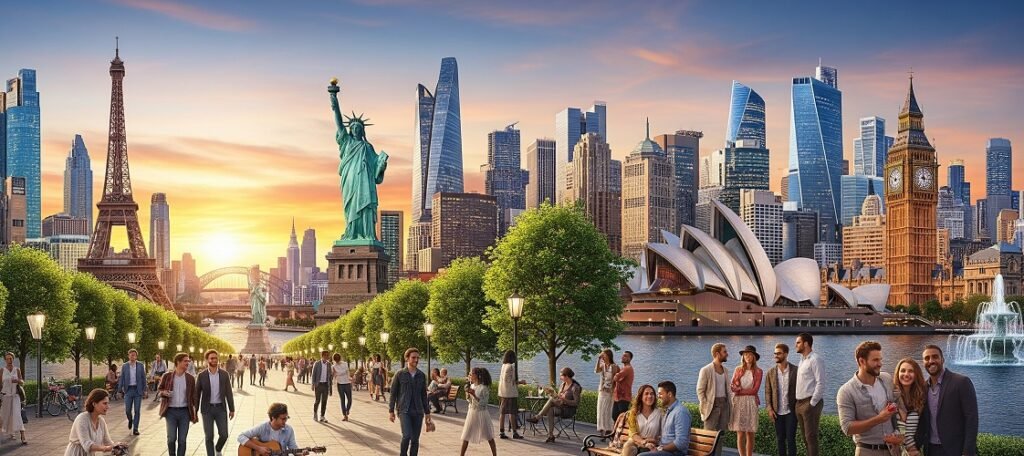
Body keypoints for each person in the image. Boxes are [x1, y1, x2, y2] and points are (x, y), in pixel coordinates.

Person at [837, 341, 903, 456]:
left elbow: (896, 407)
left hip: (893, 450)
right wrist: (878, 418)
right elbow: (847, 428)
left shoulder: (886, 379)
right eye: (875, 360)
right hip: (867, 451)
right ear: (862, 361)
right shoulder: (846, 391)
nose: (880, 364)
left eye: (880, 359)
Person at [922, 344, 978, 456]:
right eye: (927, 358)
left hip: (956, 450)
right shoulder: (923, 388)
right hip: (931, 450)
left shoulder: (961, 382)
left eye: (935, 357)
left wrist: (967, 452)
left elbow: (972, 419)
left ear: (942, 360)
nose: (931, 361)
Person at [388, 348, 432, 456]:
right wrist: (391, 411)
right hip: (404, 410)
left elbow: (423, 395)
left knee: (415, 439)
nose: (416, 360)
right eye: (413, 357)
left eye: (417, 358)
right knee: (407, 435)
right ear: (407, 358)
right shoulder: (399, 374)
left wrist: (427, 413)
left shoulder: (421, 375)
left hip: (418, 411)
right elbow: (393, 393)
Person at [525, 367, 582, 443]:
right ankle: (551, 436)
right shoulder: (562, 385)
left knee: (551, 401)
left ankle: (537, 417)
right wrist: (551, 393)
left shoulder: (575, 387)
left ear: (567, 376)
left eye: (561, 375)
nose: (560, 377)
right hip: (561, 406)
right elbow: (558, 397)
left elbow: (576, 403)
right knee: (550, 409)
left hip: (569, 410)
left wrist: (564, 400)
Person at [195, 350, 235, 456]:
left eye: (215, 358)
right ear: (207, 360)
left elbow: (229, 393)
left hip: (220, 409)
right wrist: (195, 411)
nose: (214, 360)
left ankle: (218, 448)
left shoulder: (224, 374)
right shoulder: (201, 375)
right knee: (209, 436)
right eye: (211, 358)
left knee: (224, 434)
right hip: (207, 410)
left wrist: (232, 409)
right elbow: (197, 395)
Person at [159, 352, 198, 456]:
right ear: (178, 362)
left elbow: (194, 397)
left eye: (188, 361)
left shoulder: (190, 378)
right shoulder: (167, 376)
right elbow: (160, 390)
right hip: (170, 411)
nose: (188, 363)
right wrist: (164, 392)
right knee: (171, 438)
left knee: (182, 440)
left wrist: (196, 412)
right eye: (185, 361)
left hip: (185, 412)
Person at [697, 343, 732, 456]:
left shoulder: (726, 370)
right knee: (708, 437)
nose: (727, 354)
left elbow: (728, 389)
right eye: (725, 352)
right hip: (712, 406)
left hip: (724, 405)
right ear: (717, 354)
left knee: (721, 436)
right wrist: (705, 403)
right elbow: (700, 390)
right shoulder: (706, 370)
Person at [64, 388, 122, 456]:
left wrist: (118, 447)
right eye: (104, 403)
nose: (107, 407)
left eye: (107, 403)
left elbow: (107, 441)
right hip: (76, 454)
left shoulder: (101, 421)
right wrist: (106, 448)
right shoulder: (82, 419)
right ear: (94, 404)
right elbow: (87, 444)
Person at [237, 403, 309, 455]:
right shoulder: (263, 427)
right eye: (283, 419)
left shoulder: (289, 430)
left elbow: (293, 448)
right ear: (273, 417)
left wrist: (301, 453)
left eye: (286, 418)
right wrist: (258, 448)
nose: (285, 421)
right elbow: (241, 436)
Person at [765, 343, 798, 456]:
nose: (776, 355)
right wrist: (769, 408)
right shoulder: (770, 372)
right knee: (780, 439)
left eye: (778, 353)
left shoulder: (796, 370)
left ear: (786, 354)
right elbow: (768, 392)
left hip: (791, 412)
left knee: (791, 439)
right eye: (775, 353)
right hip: (777, 412)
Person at [730, 346, 763, 456]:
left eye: (750, 354)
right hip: (739, 403)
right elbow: (732, 386)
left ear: (754, 357)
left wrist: (739, 391)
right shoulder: (738, 369)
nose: (747, 357)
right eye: (745, 355)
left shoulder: (759, 371)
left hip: (751, 402)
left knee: (750, 433)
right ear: (743, 357)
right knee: (740, 433)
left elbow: (755, 390)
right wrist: (737, 390)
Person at [794, 332, 824, 456]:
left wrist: (811, 404)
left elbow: (821, 383)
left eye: (798, 342)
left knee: (811, 437)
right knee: (806, 438)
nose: (795, 345)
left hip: (809, 402)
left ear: (806, 343)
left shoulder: (815, 359)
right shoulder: (802, 360)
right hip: (799, 404)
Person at [893, 358, 929, 456]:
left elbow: (925, 427)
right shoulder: (891, 397)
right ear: (897, 373)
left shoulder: (923, 397)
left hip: (915, 451)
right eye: (903, 370)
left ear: (916, 374)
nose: (906, 374)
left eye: (911, 371)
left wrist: (915, 448)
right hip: (894, 451)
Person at [644, 381, 691, 456]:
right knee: (638, 448)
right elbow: (667, 437)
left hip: (675, 453)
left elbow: (681, 442)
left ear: (669, 394)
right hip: (664, 450)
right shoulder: (668, 411)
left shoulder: (680, 412)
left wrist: (661, 449)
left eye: (660, 394)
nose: (658, 396)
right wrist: (653, 442)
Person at [460, 367, 497, 456]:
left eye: (471, 374)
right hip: (472, 412)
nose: (470, 376)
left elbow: (484, 403)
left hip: (481, 413)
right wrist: (468, 394)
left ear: (477, 376)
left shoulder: (484, 388)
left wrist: (474, 395)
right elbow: (470, 401)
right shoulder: (472, 386)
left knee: (489, 436)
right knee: (466, 435)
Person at [621, 384, 663, 456]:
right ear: (641, 397)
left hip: (653, 444)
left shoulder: (660, 413)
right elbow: (633, 434)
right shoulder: (633, 414)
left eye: (652, 394)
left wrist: (653, 441)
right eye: (646, 394)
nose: (649, 396)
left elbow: (662, 433)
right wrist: (644, 442)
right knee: (628, 446)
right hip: (636, 442)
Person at [118, 348, 147, 435]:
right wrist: (119, 390)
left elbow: (143, 378)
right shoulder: (125, 366)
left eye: (134, 355)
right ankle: (130, 420)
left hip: (138, 390)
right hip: (128, 390)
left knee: (137, 410)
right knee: (127, 410)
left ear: (136, 356)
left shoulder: (140, 365)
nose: (132, 356)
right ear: (128, 356)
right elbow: (121, 377)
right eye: (130, 355)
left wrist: (145, 389)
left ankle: (136, 428)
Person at [1, 352, 26, 445]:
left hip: (15, 396)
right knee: (4, 416)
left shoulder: (17, 369)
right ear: (5, 360)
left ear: (13, 359)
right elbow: (0, 385)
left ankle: (23, 436)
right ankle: (11, 433)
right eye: (7, 359)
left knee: (17, 415)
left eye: (11, 358)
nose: (9, 360)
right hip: (6, 397)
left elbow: (22, 381)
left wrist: (18, 381)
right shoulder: (2, 370)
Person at [497, 350, 522, 440]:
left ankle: (501, 432)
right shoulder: (511, 367)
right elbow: (512, 381)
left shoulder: (503, 366)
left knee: (502, 413)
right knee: (512, 413)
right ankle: (515, 432)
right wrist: (521, 382)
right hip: (510, 393)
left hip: (502, 392)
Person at [595, 348, 620, 436]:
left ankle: (608, 428)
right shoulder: (602, 365)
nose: (602, 356)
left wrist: (613, 388)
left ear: (608, 356)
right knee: (601, 409)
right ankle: (601, 428)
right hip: (602, 391)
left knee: (607, 410)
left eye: (603, 355)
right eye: (602, 355)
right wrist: (598, 359)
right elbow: (596, 371)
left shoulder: (614, 366)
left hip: (609, 392)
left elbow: (617, 379)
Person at [311, 350, 333, 423]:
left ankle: (322, 416)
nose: (327, 356)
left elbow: (330, 376)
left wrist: (330, 388)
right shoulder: (317, 363)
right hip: (318, 385)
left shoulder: (329, 364)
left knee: (324, 401)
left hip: (326, 385)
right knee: (317, 401)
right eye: (326, 355)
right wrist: (313, 384)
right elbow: (313, 374)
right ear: (322, 356)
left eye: (328, 355)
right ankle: (315, 414)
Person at [613, 351, 635, 422]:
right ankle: (616, 432)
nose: (623, 357)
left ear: (630, 359)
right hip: (619, 397)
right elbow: (618, 378)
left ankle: (621, 433)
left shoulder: (627, 368)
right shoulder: (624, 368)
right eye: (623, 356)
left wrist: (616, 372)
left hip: (623, 397)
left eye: (625, 356)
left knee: (621, 419)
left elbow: (616, 378)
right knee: (615, 417)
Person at [332, 353, 352, 421]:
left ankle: (347, 410)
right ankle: (345, 415)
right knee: (342, 399)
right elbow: (334, 375)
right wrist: (337, 374)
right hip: (340, 384)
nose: (337, 361)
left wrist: (348, 377)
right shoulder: (333, 366)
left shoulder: (345, 363)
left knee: (350, 399)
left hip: (347, 383)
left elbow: (346, 371)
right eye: (336, 359)